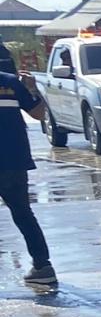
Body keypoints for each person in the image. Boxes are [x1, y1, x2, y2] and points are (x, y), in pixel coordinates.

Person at [0, 60, 55, 291]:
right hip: (13, 161)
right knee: (23, 214)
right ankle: (43, 267)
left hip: (13, 161)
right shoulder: (10, 83)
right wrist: (32, 88)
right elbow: (39, 113)